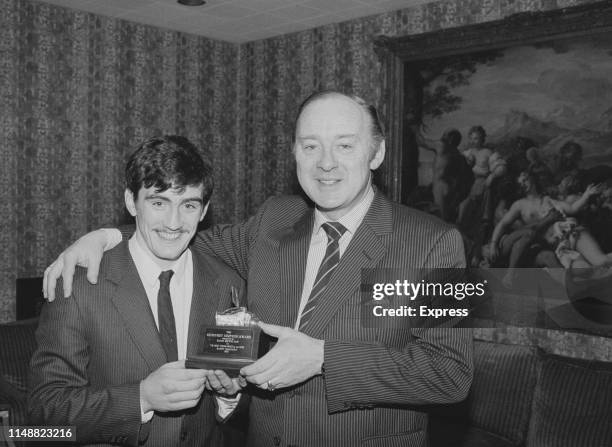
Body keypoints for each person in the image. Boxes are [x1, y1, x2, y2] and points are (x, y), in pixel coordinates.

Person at [44, 92, 473, 447]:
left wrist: (325, 358)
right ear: (295, 154)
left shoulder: (435, 241)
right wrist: (107, 236)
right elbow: (180, 236)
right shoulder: (273, 220)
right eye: (310, 146)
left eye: (345, 145)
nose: (326, 163)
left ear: (376, 152)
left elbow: (451, 374)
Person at [29, 136, 245, 447]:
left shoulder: (227, 284)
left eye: (188, 205)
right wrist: (140, 398)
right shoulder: (78, 287)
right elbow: (43, 415)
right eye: (159, 202)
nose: (173, 222)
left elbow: (241, 406)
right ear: (132, 201)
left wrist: (230, 396)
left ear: (204, 210)